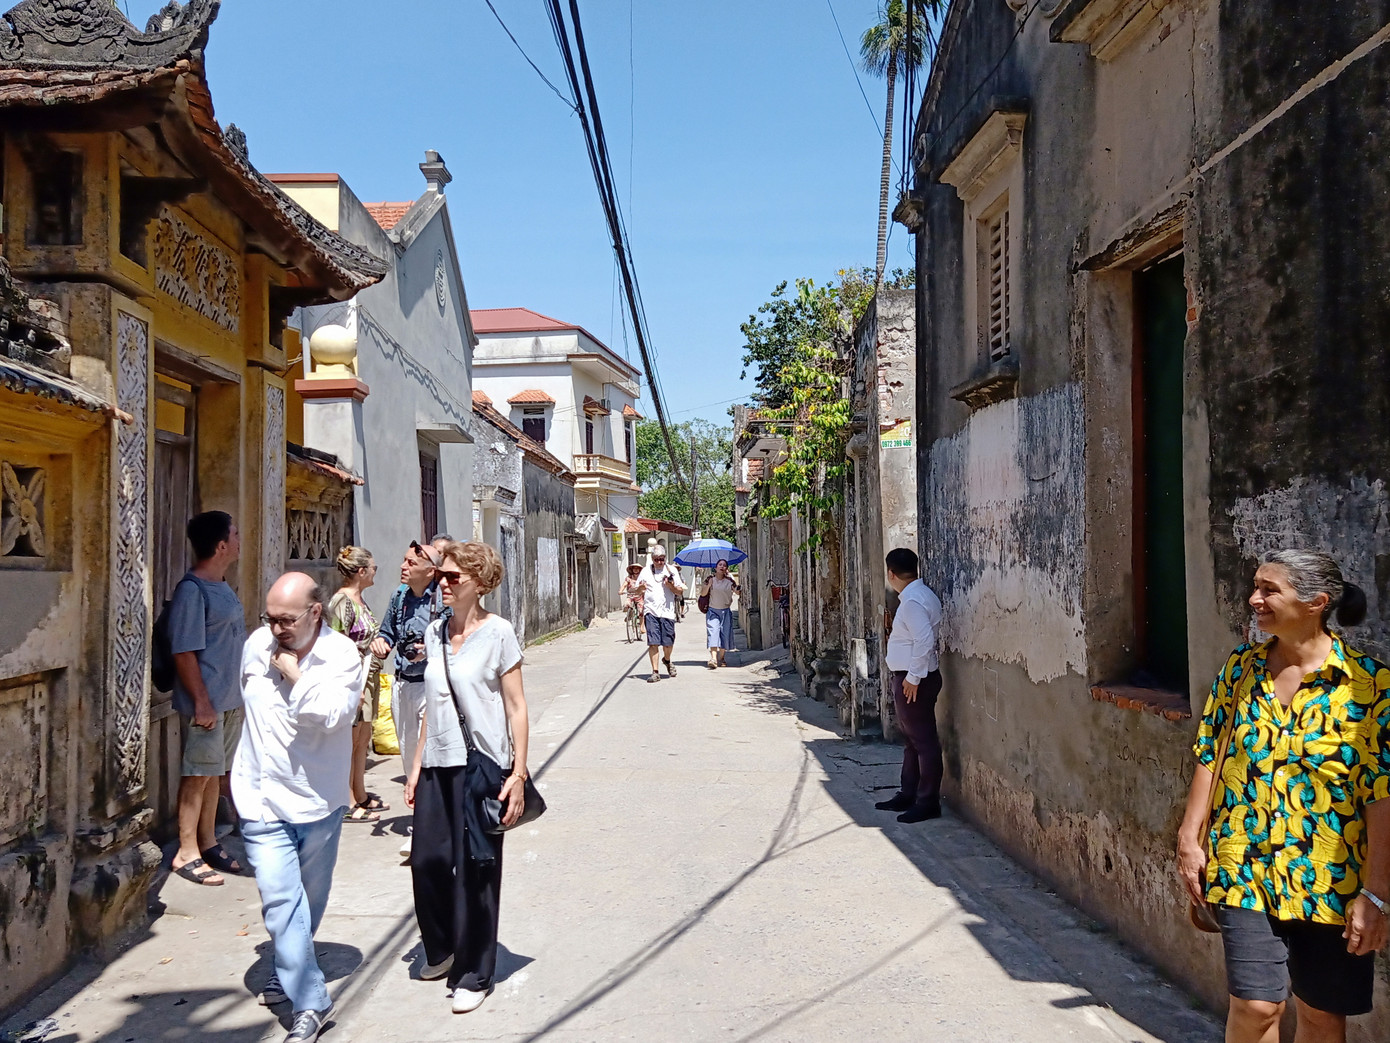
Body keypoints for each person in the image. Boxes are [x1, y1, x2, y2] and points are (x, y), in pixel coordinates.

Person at [1176, 550, 1390, 1043]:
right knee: (1255, 1006)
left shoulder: (1369, 687)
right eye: (1256, 586)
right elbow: (1211, 749)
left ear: (1316, 602)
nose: (1255, 599)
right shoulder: (1241, 668)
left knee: (1319, 1014)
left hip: (1330, 876)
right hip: (1243, 864)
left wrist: (1376, 894)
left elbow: (1382, 796)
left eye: (1270, 590)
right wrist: (1190, 838)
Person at [236, 572, 364, 1043]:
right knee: (280, 899)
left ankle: (291, 963)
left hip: (318, 799)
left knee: (308, 901)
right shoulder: (255, 645)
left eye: (286, 620)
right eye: (270, 619)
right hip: (260, 797)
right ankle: (312, 1000)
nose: (276, 629)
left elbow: (334, 715)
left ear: (315, 612)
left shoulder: (342, 655)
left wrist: (296, 674)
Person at [404, 540, 530, 1015]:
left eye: (454, 577)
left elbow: (516, 706)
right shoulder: (434, 632)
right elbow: (430, 709)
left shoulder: (498, 634)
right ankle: (442, 948)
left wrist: (517, 773)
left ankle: (475, 972)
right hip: (438, 763)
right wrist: (415, 767)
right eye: (442, 577)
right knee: (427, 863)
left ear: (481, 582)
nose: (445, 583)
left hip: (483, 765)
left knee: (476, 870)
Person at [168, 511, 247, 886]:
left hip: (228, 700)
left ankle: (208, 841)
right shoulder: (192, 590)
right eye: (234, 534)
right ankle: (186, 852)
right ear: (220, 545)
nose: (238, 538)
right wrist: (201, 701)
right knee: (197, 774)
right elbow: (183, 651)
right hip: (208, 703)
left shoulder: (221, 584)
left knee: (214, 772)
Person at [371, 539, 447, 858]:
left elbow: (453, 638)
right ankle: (425, 818)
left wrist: (427, 650)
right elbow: (387, 631)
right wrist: (381, 642)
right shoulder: (399, 596)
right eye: (404, 561)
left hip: (432, 686)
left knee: (428, 756)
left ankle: (426, 831)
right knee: (408, 756)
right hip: (403, 684)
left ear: (430, 570)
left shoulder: (443, 598)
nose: (403, 567)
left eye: (410, 563)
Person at [875, 548, 945, 824]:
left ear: (891, 574)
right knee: (912, 741)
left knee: (924, 742)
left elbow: (924, 640)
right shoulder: (919, 596)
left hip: (915, 678)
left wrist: (913, 678)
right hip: (912, 676)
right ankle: (909, 792)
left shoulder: (913, 601)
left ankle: (927, 801)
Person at [327, 546, 387, 823]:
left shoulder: (359, 600)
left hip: (369, 676)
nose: (376, 571)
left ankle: (359, 792)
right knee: (349, 742)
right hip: (353, 678)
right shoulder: (342, 603)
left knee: (363, 739)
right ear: (361, 571)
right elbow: (337, 645)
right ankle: (347, 800)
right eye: (373, 567)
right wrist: (351, 685)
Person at [635, 544, 684, 683]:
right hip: (651, 611)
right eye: (656, 559)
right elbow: (636, 591)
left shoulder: (671, 570)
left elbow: (680, 591)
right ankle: (655, 671)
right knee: (653, 642)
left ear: (665, 558)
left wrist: (670, 586)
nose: (659, 562)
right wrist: (640, 588)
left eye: (662, 559)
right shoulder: (645, 571)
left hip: (667, 612)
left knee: (668, 643)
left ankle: (667, 660)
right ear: (652, 559)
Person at [700, 559, 740, 669]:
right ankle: (713, 658)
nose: (722, 567)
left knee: (725, 635)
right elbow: (703, 594)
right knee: (713, 632)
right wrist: (709, 586)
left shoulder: (730, 581)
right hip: (713, 611)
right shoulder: (710, 579)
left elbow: (737, 592)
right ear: (716, 567)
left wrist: (737, 589)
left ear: (726, 569)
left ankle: (721, 658)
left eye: (724, 565)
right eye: (720, 565)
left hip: (726, 611)